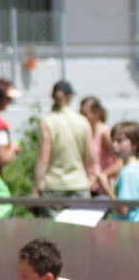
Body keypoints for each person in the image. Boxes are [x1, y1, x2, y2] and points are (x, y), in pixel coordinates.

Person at [33, 81, 96, 217]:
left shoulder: (47, 121)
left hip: (53, 185)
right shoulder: (82, 121)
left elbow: (44, 158)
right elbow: (91, 157)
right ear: (70, 96)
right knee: (81, 233)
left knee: (53, 235)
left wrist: (36, 188)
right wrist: (92, 177)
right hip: (79, 183)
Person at [80, 96, 119, 196]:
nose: (81, 118)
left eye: (84, 114)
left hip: (101, 190)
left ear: (96, 113)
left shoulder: (104, 133)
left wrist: (102, 176)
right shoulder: (84, 132)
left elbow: (119, 162)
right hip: (86, 187)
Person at [110, 121, 139, 222]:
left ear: (135, 144)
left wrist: (106, 188)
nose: (114, 145)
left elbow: (123, 210)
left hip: (130, 229)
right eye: (113, 141)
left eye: (120, 141)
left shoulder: (128, 172)